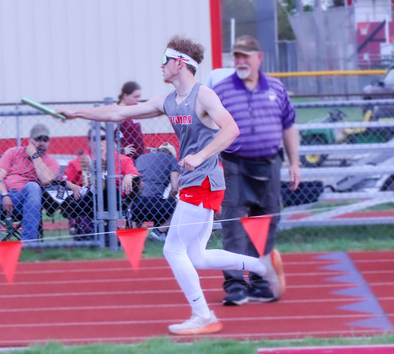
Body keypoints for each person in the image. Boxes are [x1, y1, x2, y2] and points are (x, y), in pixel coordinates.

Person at [61, 35, 284, 336]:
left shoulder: (203, 95)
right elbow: (118, 112)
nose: (161, 66)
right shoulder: (167, 102)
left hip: (204, 180)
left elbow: (231, 129)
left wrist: (201, 155)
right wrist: (78, 113)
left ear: (179, 63)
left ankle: (202, 315)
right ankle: (262, 267)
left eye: (165, 61)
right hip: (197, 180)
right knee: (197, 256)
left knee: (172, 249)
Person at [210, 35, 300, 306]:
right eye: (236, 56)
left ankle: (260, 281)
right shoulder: (222, 90)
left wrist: (295, 163)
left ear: (259, 58)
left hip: (270, 164)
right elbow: (209, 126)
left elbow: (288, 126)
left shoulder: (276, 87)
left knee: (265, 223)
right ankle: (236, 285)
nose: (240, 61)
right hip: (236, 165)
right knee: (234, 225)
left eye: (245, 56)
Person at [0, 122, 60, 251]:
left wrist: (35, 156)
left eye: (45, 139)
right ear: (30, 140)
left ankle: (29, 246)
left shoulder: (51, 162)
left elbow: (46, 179)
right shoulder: (13, 152)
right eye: (38, 139)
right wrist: (5, 195)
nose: (41, 142)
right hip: (0, 199)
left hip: (26, 203)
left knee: (33, 186)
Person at [61, 134, 138, 240]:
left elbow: (135, 175)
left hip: (114, 196)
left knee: (106, 183)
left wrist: (129, 176)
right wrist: (73, 186)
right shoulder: (82, 160)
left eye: (104, 138)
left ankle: (77, 208)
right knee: (94, 187)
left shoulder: (123, 159)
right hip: (88, 197)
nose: (100, 141)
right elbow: (65, 180)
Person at [131, 143, 181, 240]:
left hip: (136, 206)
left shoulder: (141, 158)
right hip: (158, 206)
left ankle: (135, 232)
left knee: (142, 199)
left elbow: (136, 182)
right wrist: (170, 200)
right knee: (181, 203)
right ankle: (158, 231)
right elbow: (175, 187)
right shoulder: (171, 159)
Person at [117, 81, 146, 158]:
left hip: (139, 156)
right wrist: (121, 150)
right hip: (127, 158)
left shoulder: (132, 111)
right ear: (125, 96)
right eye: (135, 97)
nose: (138, 100)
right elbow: (108, 136)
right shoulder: (119, 112)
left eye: (139, 97)